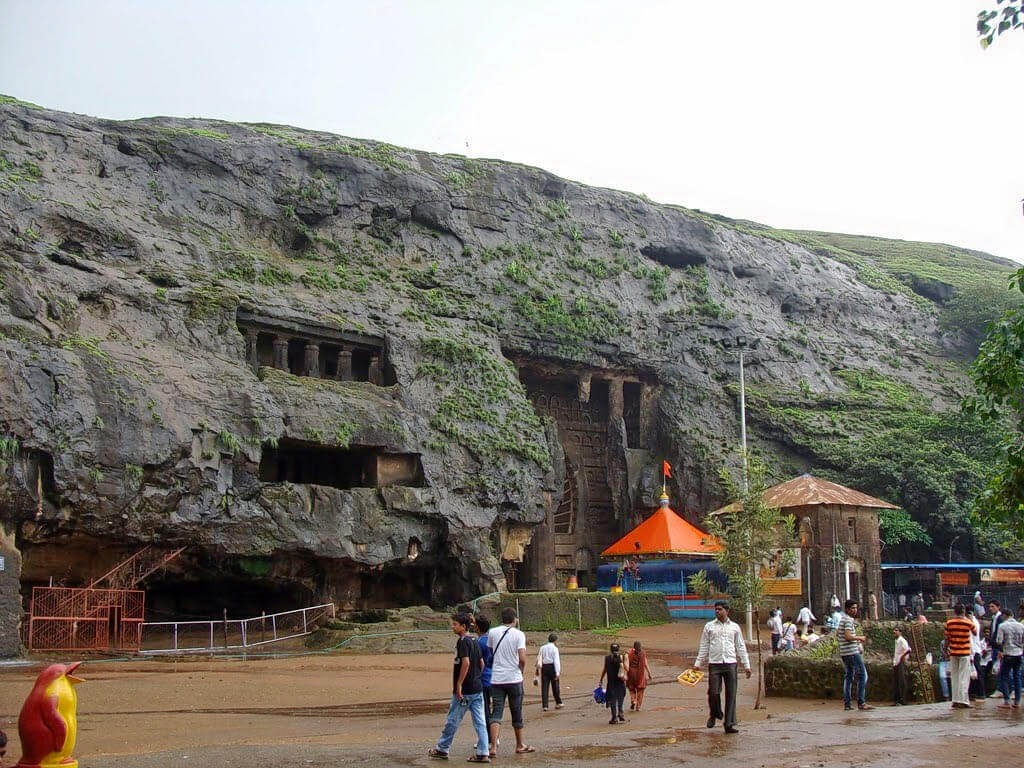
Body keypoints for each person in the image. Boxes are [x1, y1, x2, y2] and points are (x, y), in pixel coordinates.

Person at [428, 612, 490, 762]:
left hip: (466, 690)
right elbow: (481, 663)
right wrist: (476, 678)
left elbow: (466, 662)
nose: (452, 627)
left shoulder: (463, 641)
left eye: (455, 624)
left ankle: (442, 748)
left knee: (453, 719)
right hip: (477, 688)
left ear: (463, 626)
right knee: (480, 721)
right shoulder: (475, 640)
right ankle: (483, 752)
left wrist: (459, 684)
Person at [693, 600, 751, 734]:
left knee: (731, 694)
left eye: (720, 609)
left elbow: (740, 646)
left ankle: (729, 723)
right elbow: (704, 645)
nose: (717, 611)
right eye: (716, 609)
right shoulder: (709, 626)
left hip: (730, 663)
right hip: (714, 663)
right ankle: (715, 713)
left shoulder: (735, 627)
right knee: (713, 692)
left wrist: (746, 665)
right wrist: (698, 663)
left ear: (727, 611)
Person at [487, 607, 534, 756]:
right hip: (514, 678)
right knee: (516, 711)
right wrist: (521, 670)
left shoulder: (493, 632)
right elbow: (522, 658)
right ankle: (519, 744)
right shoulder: (519, 634)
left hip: (497, 678)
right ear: (514, 619)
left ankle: (493, 747)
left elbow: (490, 652)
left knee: (496, 712)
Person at [838, 599, 872, 711]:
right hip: (851, 652)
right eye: (853, 608)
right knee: (863, 675)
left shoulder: (843, 619)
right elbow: (847, 636)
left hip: (844, 652)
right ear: (847, 609)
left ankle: (847, 704)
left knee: (849, 676)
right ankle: (861, 702)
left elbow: (839, 633)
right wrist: (859, 638)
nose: (855, 610)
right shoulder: (848, 620)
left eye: (856, 608)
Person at [944, 603, 974, 709]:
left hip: (953, 652)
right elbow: (974, 632)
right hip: (965, 652)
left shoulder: (949, 623)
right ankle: (963, 700)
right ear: (964, 611)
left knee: (955, 677)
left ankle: (955, 700)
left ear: (954, 611)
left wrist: (945, 650)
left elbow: (947, 638)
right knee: (964, 677)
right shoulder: (968, 622)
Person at [994, 606, 1024, 708]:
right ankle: (1017, 701)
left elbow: (999, 641)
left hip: (1008, 654)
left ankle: (1007, 700)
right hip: (1019, 654)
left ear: (1004, 616)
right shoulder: (1021, 626)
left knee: (1004, 677)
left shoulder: (1002, 626)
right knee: (1017, 677)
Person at [599, 643, 628, 724]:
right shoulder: (621, 657)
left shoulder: (607, 658)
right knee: (620, 698)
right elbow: (627, 668)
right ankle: (621, 712)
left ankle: (614, 718)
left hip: (611, 683)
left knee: (612, 700)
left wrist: (601, 679)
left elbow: (604, 669)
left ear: (610, 650)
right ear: (618, 649)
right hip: (620, 682)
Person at [535, 633, 562, 711]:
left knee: (544, 686)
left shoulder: (542, 648)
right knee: (555, 686)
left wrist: (537, 669)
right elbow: (556, 661)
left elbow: (538, 658)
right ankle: (558, 702)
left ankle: (545, 705)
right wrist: (557, 672)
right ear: (555, 641)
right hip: (552, 667)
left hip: (544, 667)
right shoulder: (555, 649)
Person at [985, 599, 1007, 696]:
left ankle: (1001, 689)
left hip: (998, 647)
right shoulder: (994, 618)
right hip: (994, 646)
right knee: (996, 668)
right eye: (989, 607)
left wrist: (1000, 648)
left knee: (999, 668)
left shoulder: (1000, 619)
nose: (990, 609)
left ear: (998, 607)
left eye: (992, 606)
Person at [475, 614, 494, 719]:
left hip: (483, 679)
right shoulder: (492, 640)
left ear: (477, 627)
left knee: (484, 709)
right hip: (494, 677)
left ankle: (487, 733)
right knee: (494, 709)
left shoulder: (479, 642)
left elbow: (478, 663)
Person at [626, 640, 653, 711]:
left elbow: (626, 664)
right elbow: (645, 664)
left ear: (634, 646)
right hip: (640, 674)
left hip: (631, 673)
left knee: (631, 689)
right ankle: (638, 707)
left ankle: (633, 700)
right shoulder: (643, 653)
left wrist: (625, 674)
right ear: (640, 647)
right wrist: (649, 673)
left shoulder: (629, 653)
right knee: (640, 691)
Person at [966, 608, 985, 701]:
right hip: (975, 650)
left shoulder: (972, 623)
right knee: (974, 673)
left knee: (976, 672)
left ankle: (980, 693)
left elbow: (971, 639)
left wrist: (971, 654)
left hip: (973, 651)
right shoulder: (975, 622)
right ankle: (974, 693)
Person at [892, 626, 911, 705]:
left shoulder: (902, 640)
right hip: (896, 661)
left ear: (900, 632)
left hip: (900, 661)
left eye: (896, 630)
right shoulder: (897, 641)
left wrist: (901, 657)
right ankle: (897, 699)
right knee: (897, 681)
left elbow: (908, 650)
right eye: (894, 631)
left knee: (901, 680)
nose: (894, 632)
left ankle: (902, 699)